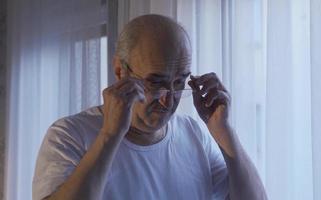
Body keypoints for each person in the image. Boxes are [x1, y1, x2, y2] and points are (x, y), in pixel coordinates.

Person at [32, 14, 267, 200]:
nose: (168, 101)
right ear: (120, 72)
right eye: (156, 83)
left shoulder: (194, 135)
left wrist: (224, 132)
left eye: (179, 83)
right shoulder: (69, 135)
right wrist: (110, 135)